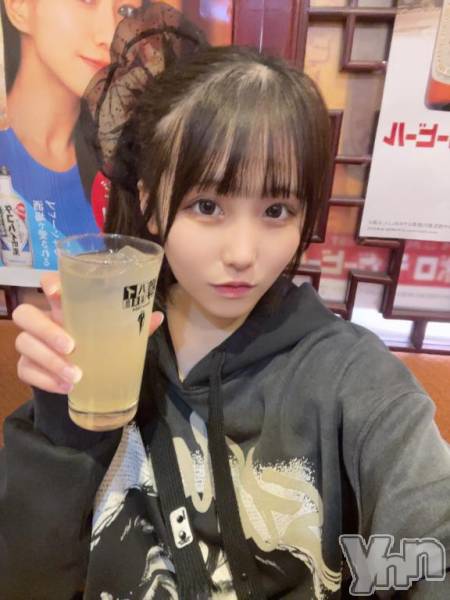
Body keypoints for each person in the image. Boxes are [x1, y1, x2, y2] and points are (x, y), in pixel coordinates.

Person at [2, 25, 450, 600]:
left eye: (277, 210)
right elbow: (25, 576)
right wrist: (62, 431)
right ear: (150, 204)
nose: (242, 254)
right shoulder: (104, 349)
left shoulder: (352, 376)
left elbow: (431, 538)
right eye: (208, 205)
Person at [0, 0, 200, 269]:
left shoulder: (126, 166)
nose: (109, 36)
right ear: (19, 6)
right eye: (86, 2)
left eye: (126, 11)